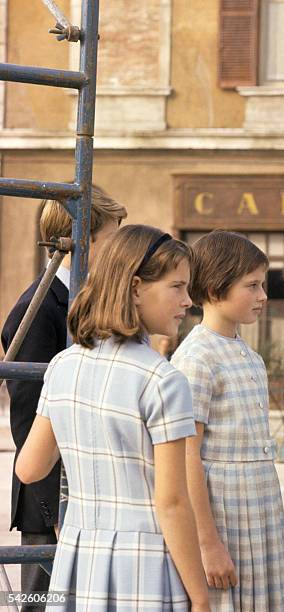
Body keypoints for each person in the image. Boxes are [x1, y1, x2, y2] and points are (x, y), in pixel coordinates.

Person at [15, 225, 210, 611]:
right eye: (177, 287)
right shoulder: (162, 380)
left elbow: (30, 468)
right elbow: (171, 502)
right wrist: (202, 598)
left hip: (79, 555)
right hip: (145, 564)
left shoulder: (62, 366)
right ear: (136, 287)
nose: (188, 300)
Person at [1, 187, 126, 606]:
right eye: (112, 240)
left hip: (90, 495)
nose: (118, 253)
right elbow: (27, 425)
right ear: (80, 239)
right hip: (50, 502)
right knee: (42, 603)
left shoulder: (88, 301)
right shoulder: (37, 309)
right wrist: (55, 509)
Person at [171, 230, 284, 612]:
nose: (263, 296)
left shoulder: (248, 355)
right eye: (251, 285)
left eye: (263, 285)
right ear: (216, 285)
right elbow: (187, 455)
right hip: (223, 510)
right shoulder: (196, 358)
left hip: (258, 505)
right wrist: (207, 544)